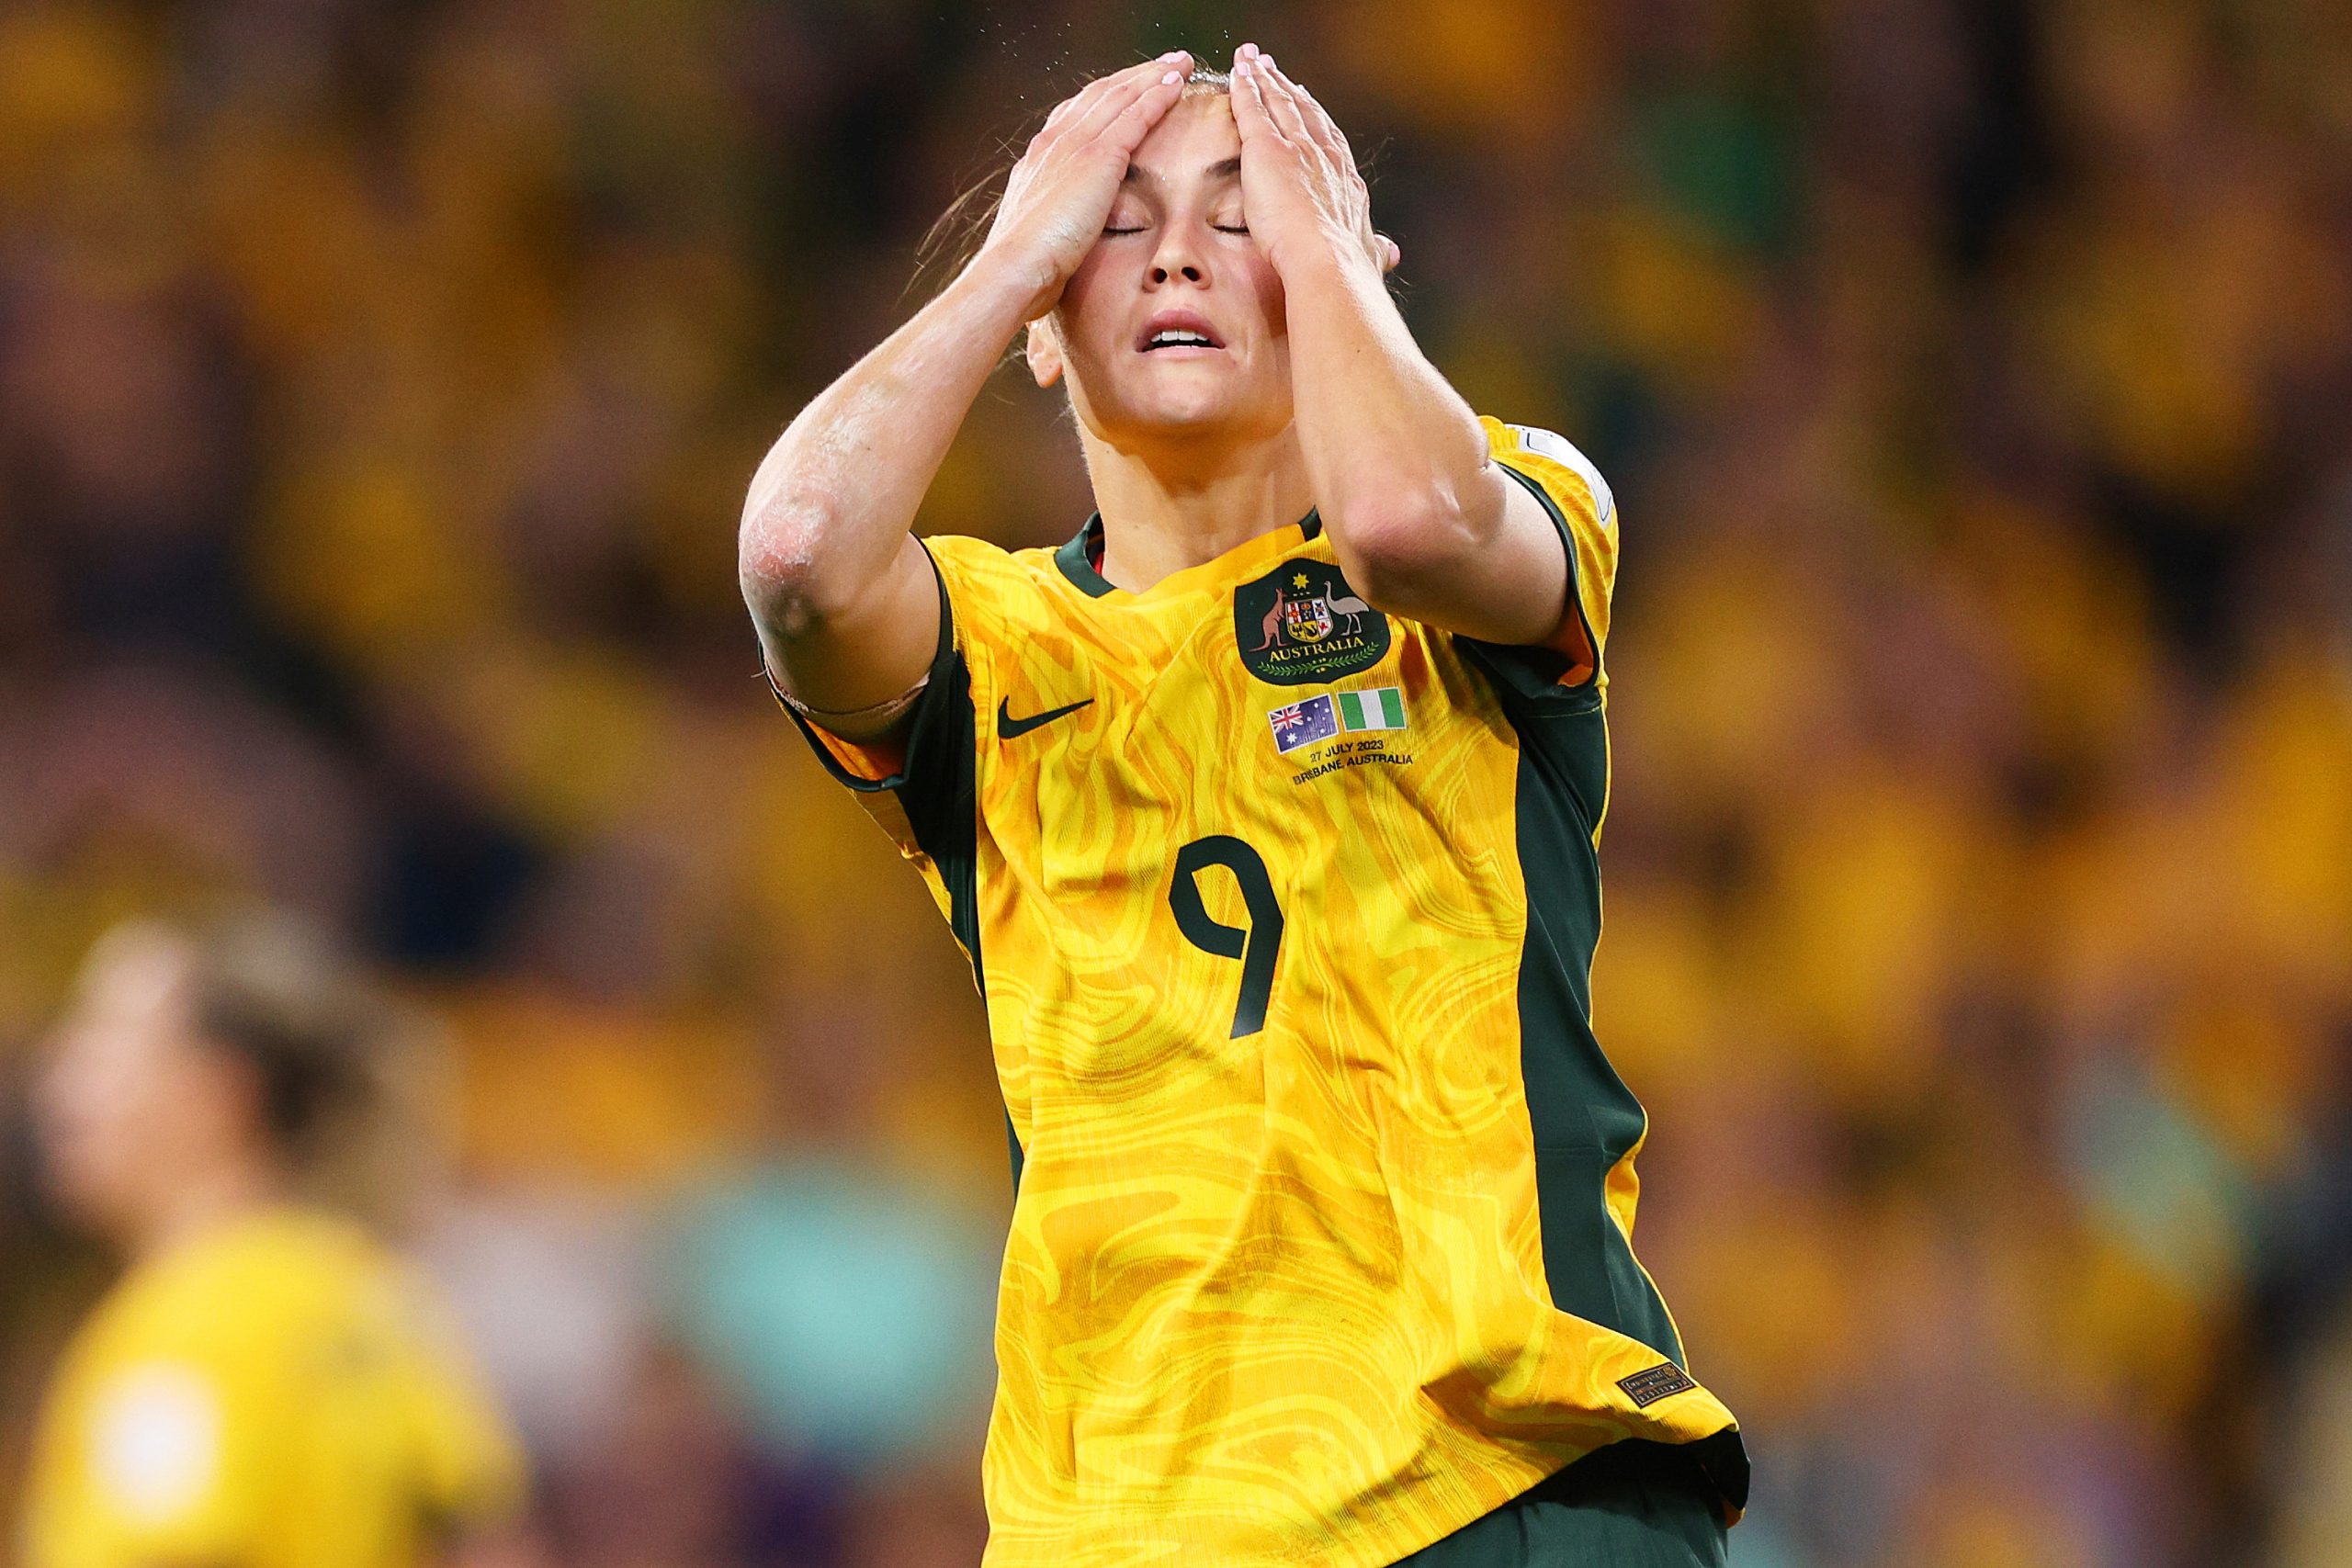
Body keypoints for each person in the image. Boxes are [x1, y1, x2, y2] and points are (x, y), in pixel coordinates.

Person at [738, 43, 1747, 1568]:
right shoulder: (984, 641)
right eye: (1119, 223)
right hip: (1132, 1524)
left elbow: (1408, 516)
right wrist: (1013, 249)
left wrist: (1336, 259)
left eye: (1243, 214)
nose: (1184, 255)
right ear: (1042, 328)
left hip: (1498, 1486)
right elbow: (801, 555)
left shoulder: (1511, 507)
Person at [21, 915, 531, 1568]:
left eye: (102, 1040)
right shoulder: (376, 1293)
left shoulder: (190, 1328)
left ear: (217, 1091)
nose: (60, 1074)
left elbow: (168, 1553)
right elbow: (490, 1542)